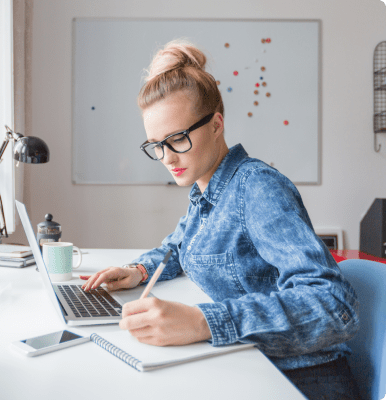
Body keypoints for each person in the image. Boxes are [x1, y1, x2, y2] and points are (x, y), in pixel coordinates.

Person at [80, 39, 362, 400]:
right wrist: (139, 271)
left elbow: (335, 305)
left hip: (300, 380)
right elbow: (178, 246)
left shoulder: (257, 188)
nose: (167, 157)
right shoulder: (205, 191)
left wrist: (202, 322)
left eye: (178, 139)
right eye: (156, 144)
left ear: (216, 124)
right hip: (248, 364)